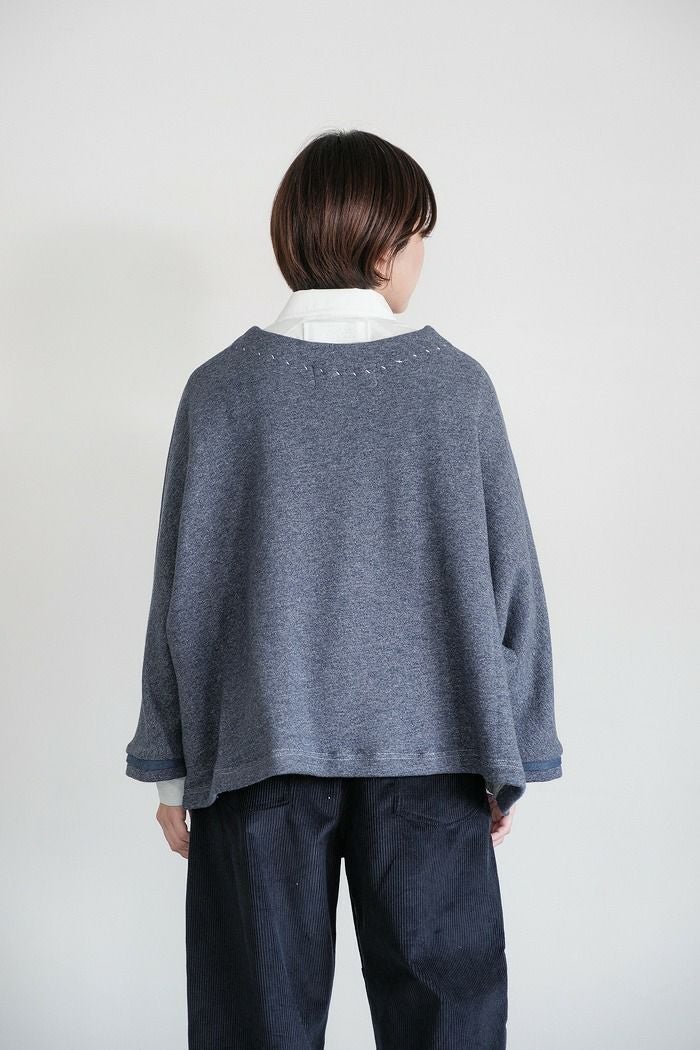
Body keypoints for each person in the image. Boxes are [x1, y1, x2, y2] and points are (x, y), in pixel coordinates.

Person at [125, 128, 563, 1049]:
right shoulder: (455, 388)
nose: (422, 257)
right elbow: (514, 585)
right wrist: (512, 754)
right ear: (383, 246)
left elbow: (182, 598)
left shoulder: (221, 391)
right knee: (446, 1023)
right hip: (434, 756)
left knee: (257, 1023)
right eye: (419, 235)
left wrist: (170, 766)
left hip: (258, 759)